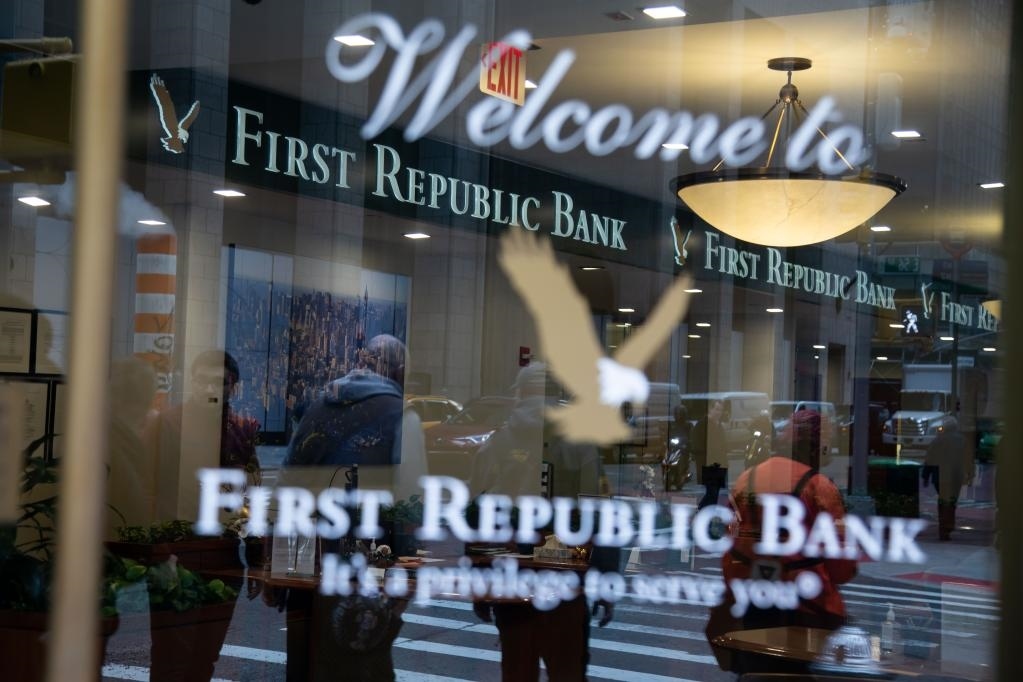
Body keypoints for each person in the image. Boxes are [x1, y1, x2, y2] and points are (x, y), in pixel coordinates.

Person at [281, 334, 426, 682]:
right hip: (366, 563)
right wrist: (408, 574)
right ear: (400, 371)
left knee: (305, 663)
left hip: (307, 559)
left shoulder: (318, 406)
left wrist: (280, 564)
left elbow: (287, 483)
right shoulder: (400, 414)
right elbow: (411, 503)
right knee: (363, 662)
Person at [469, 362, 614, 681]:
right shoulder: (581, 443)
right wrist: (606, 580)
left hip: (512, 579)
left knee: (518, 670)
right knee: (567, 670)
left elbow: (477, 518)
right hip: (566, 576)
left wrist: (479, 584)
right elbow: (598, 515)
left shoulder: (496, 443)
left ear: (519, 393)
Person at [707, 408, 856, 674]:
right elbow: (841, 567)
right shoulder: (819, 487)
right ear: (816, 447)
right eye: (826, 447)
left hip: (751, 601)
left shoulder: (747, 478)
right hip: (805, 608)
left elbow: (731, 540)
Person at [923, 418, 974, 541]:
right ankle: (948, 526)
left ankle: (943, 527)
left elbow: (929, 459)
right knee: (951, 502)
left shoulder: (937, 440)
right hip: (955, 476)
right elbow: (968, 459)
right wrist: (970, 474)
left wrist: (926, 476)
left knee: (942, 501)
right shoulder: (962, 440)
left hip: (940, 476)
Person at [692, 399, 727, 508]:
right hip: (708, 465)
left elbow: (722, 446)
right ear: (710, 409)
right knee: (712, 493)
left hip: (718, 465)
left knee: (715, 494)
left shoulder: (719, 426)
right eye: (716, 409)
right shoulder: (702, 424)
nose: (719, 412)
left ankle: (707, 514)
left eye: (720, 410)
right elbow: (697, 445)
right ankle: (701, 511)